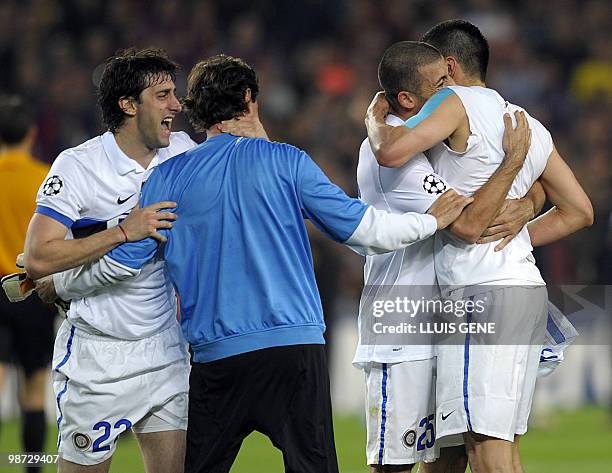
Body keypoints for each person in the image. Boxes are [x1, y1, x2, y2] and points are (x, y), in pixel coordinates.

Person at [42, 54, 473, 473]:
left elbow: (123, 264)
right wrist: (428, 221)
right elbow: (368, 232)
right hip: (293, 351)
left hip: (217, 360)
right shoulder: (286, 161)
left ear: (196, 110)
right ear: (249, 100)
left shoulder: (167, 178)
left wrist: (61, 285)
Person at [365, 20, 593, 473]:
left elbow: (389, 153)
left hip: (480, 294)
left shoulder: (453, 101)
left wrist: (373, 115)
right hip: (525, 289)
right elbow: (580, 211)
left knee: (486, 455)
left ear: (447, 67)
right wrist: (522, 218)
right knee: (498, 450)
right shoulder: (528, 122)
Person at [354, 41, 540, 473]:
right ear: (407, 99)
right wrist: (513, 164)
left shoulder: (434, 144)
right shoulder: (394, 159)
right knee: (394, 465)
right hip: (401, 330)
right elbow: (467, 220)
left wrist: (529, 202)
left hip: (443, 322)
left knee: (452, 459)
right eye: (441, 83)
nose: (453, 89)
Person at [23, 48, 198, 473]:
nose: (177, 105)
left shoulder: (183, 151)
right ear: (128, 105)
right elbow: (37, 257)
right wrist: (123, 231)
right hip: (99, 357)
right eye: (163, 95)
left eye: (175, 94)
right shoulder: (80, 166)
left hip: (165, 349)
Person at [0, 95, 57, 473]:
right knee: (35, 388)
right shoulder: (45, 179)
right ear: (32, 133)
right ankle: (32, 468)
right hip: (31, 290)